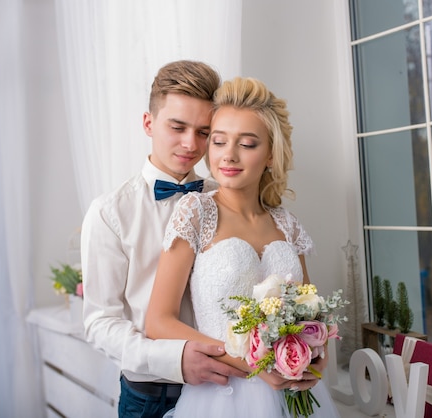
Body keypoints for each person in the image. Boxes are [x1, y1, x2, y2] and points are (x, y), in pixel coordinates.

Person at [145, 77, 340, 417]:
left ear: (270, 155)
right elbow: (159, 321)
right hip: (221, 396)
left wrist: (314, 354)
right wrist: (254, 362)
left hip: (294, 393)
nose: (229, 155)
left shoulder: (287, 225)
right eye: (218, 141)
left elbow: (311, 313)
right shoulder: (195, 212)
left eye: (248, 144)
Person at [81, 60, 249, 418]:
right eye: (178, 127)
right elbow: (100, 322)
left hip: (231, 392)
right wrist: (174, 358)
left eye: (204, 132)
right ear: (148, 123)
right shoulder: (109, 213)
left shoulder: (227, 197)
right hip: (151, 398)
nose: (191, 144)